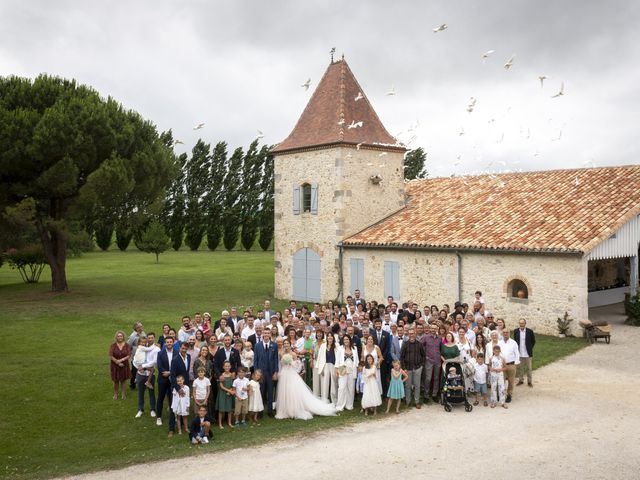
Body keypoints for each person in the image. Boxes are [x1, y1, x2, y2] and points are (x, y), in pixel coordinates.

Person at [275, 352, 337, 420]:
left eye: (287, 343)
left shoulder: (293, 354)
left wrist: (291, 362)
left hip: (291, 375)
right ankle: (285, 410)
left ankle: (294, 409)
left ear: (289, 345)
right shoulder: (282, 353)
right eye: (285, 343)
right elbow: (281, 364)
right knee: (285, 392)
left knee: (293, 392)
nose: (286, 345)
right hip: (284, 375)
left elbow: (297, 366)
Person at [253, 329, 279, 417]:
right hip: (261, 373)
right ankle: (260, 411)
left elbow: (276, 359)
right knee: (261, 392)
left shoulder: (274, 345)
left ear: (270, 334)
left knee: (270, 392)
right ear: (262, 334)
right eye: (265, 333)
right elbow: (255, 359)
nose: (266, 334)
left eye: (268, 333)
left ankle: (270, 411)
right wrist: (256, 372)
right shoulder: (257, 345)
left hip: (270, 373)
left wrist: (276, 372)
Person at [168, 342, 191, 437]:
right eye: (182, 348)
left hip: (185, 385)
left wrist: (185, 387)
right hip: (177, 387)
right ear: (180, 348)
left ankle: (184, 426)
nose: (184, 350)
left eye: (185, 348)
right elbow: (172, 376)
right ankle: (171, 429)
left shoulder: (188, 357)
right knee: (174, 408)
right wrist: (178, 389)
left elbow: (186, 372)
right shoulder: (175, 359)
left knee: (184, 406)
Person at [133, 334, 159, 418]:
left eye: (152, 338)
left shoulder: (156, 349)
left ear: (154, 338)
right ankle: (140, 409)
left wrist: (143, 367)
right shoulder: (142, 347)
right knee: (140, 392)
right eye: (149, 338)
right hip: (141, 374)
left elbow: (154, 362)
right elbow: (134, 360)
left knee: (151, 392)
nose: (150, 339)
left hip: (150, 374)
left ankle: (152, 409)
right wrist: (138, 368)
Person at [400, 328, 425, 408]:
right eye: (410, 333)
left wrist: (421, 365)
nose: (411, 335)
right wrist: (404, 368)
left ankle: (417, 401)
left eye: (413, 333)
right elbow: (402, 357)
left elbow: (423, 355)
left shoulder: (419, 344)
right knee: (408, 385)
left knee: (417, 385)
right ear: (408, 334)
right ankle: (408, 401)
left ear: (415, 334)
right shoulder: (405, 344)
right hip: (407, 368)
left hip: (417, 368)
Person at [155, 336, 175, 427]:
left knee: (172, 399)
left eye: (171, 342)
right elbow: (159, 366)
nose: (169, 343)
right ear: (165, 343)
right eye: (167, 342)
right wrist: (165, 373)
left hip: (173, 380)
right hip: (163, 379)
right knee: (161, 398)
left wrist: (170, 373)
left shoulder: (177, 353)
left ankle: (173, 416)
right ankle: (159, 417)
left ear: (173, 343)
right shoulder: (160, 353)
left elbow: (177, 366)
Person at [335, 335, 357, 412]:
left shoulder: (354, 348)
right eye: (344, 339)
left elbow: (356, 361)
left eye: (347, 339)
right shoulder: (340, 348)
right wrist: (337, 370)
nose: (346, 341)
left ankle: (349, 405)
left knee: (350, 388)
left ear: (349, 340)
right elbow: (337, 360)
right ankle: (340, 406)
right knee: (341, 388)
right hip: (342, 369)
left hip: (351, 370)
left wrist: (356, 369)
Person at [421, 324, 442, 403]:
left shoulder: (440, 338)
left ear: (437, 329)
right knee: (428, 378)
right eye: (432, 328)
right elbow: (420, 346)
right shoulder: (425, 337)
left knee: (436, 378)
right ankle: (426, 395)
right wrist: (424, 356)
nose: (433, 330)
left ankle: (434, 394)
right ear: (430, 329)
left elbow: (441, 348)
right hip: (428, 360)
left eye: (435, 328)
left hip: (437, 360)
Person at [109, 330, 132, 400]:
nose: (120, 337)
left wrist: (121, 360)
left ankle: (123, 394)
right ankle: (115, 394)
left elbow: (129, 355)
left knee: (123, 380)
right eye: (118, 336)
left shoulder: (127, 345)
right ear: (116, 337)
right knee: (116, 381)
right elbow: (110, 355)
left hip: (124, 365)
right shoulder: (113, 345)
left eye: (121, 336)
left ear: (123, 337)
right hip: (115, 365)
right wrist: (117, 362)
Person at [514, 318, 536, 387]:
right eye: (520, 323)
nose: (521, 324)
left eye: (522, 323)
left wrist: (529, 348)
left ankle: (529, 382)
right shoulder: (516, 331)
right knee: (520, 368)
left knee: (529, 368)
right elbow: (515, 340)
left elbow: (533, 341)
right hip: (520, 353)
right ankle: (521, 380)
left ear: (525, 324)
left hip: (528, 353)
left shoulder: (530, 331)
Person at [500, 328, 520, 403]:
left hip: (511, 365)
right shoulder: (500, 343)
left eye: (507, 332)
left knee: (511, 382)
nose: (505, 334)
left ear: (509, 333)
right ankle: (502, 394)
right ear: (502, 334)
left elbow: (517, 353)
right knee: (502, 381)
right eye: (504, 332)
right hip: (502, 365)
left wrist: (516, 363)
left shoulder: (513, 343)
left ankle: (509, 395)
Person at [216, 360, 235, 429]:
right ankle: (220, 424)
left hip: (229, 394)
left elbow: (233, 384)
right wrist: (229, 391)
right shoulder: (222, 376)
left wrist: (232, 390)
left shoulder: (232, 375)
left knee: (229, 409)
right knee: (221, 409)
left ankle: (229, 422)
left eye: (228, 366)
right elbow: (221, 386)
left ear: (230, 367)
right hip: (222, 394)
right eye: (226, 366)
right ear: (223, 367)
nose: (227, 367)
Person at [127, 322, 145, 390]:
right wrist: (131, 354)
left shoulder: (143, 333)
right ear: (135, 328)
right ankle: (132, 384)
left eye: (141, 326)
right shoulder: (133, 336)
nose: (140, 328)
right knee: (134, 370)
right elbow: (128, 345)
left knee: (143, 369)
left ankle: (143, 384)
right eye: (139, 327)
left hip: (143, 355)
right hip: (135, 356)